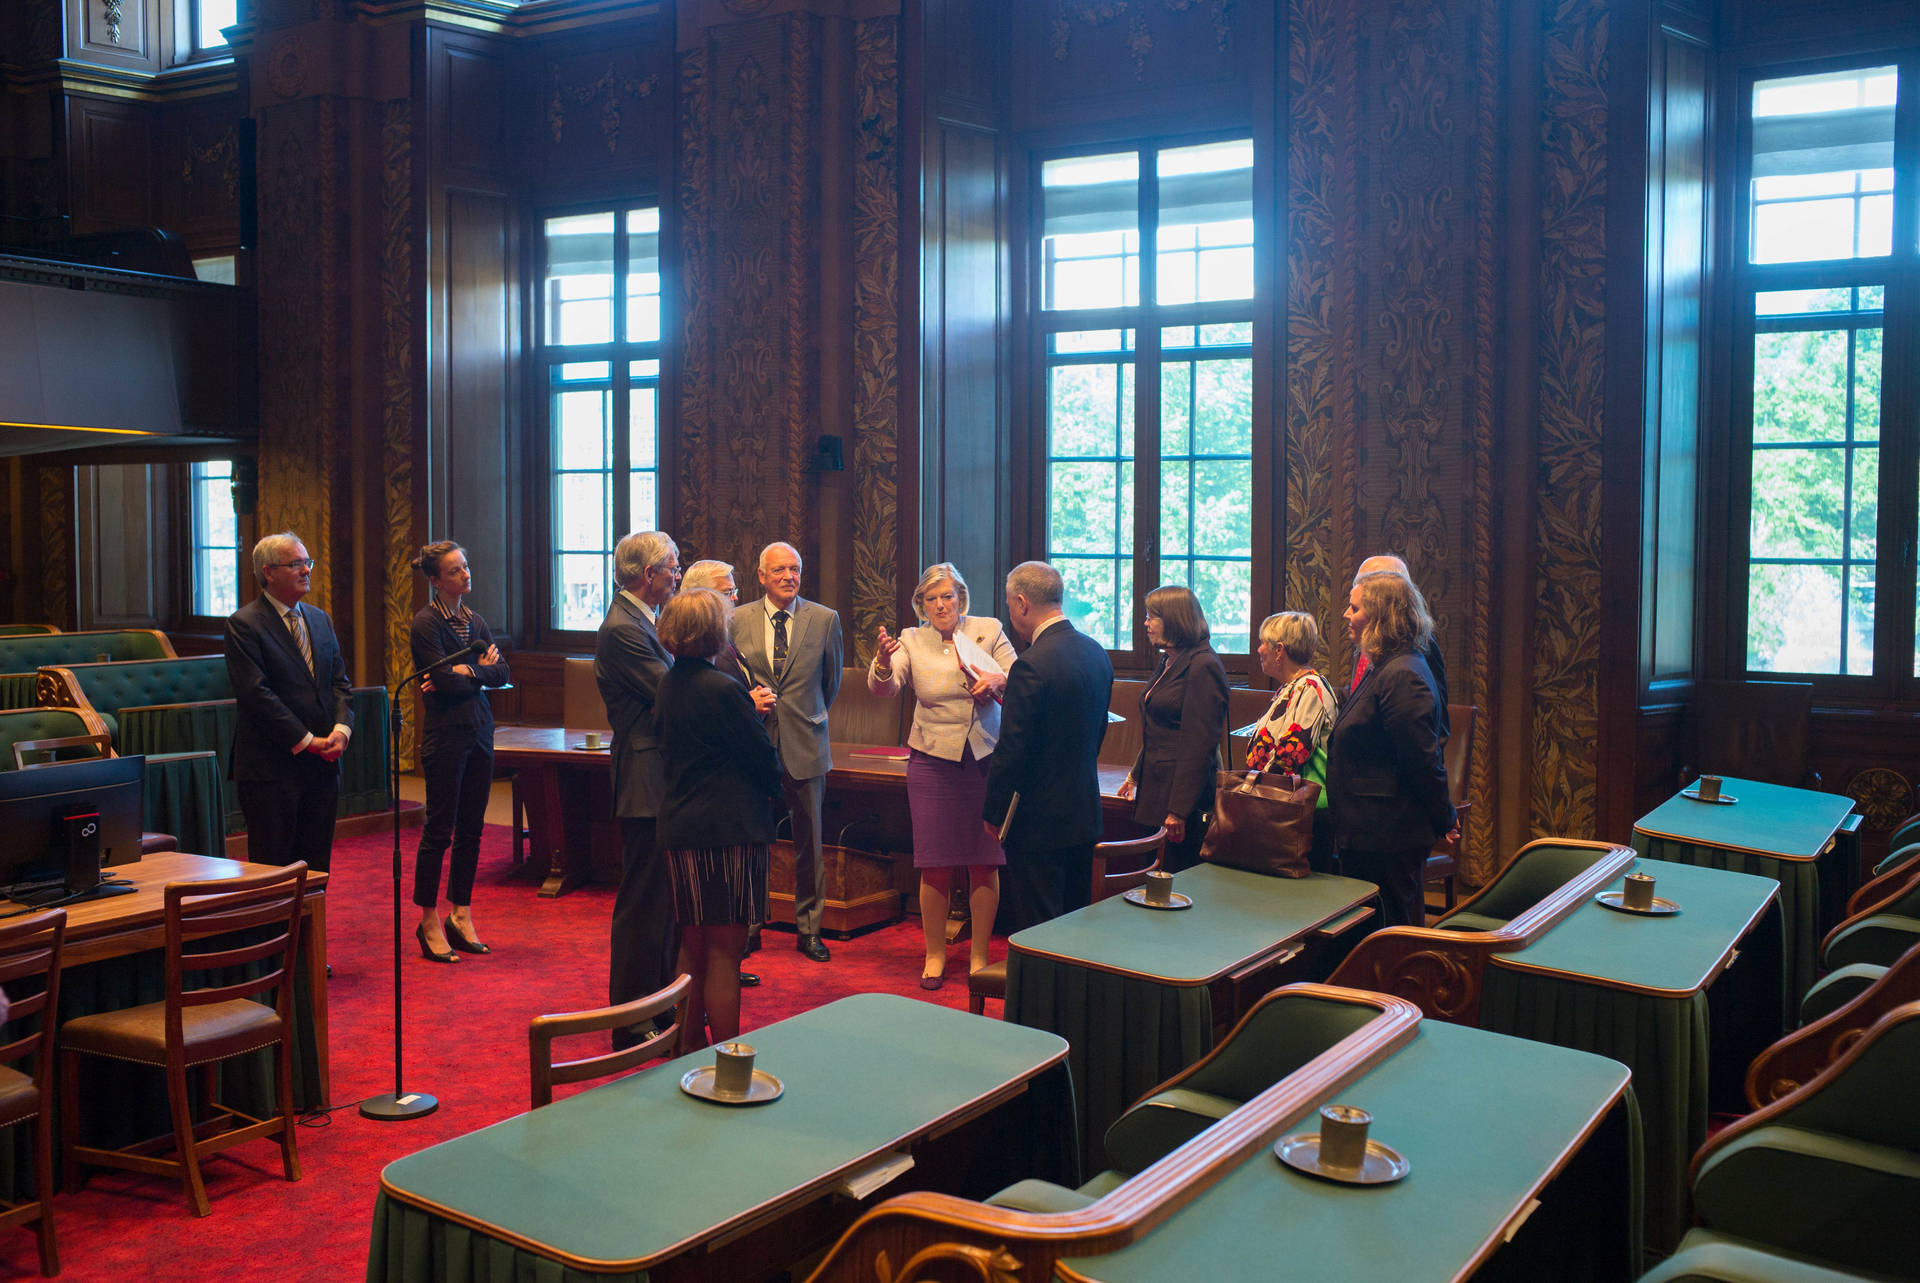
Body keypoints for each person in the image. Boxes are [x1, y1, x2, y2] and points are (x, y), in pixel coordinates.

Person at [869, 563, 1016, 987]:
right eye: (931, 599)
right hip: (932, 762)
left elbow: (1018, 676)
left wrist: (994, 681)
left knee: (983, 862)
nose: (940, 605)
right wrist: (880, 664)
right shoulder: (911, 640)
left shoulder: (988, 629)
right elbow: (887, 687)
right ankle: (934, 955)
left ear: (961, 598)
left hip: (986, 759)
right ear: (921, 604)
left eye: (947, 596)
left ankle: (979, 956)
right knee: (934, 864)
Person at [654, 588, 782, 1048]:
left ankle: (684, 1049)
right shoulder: (725, 690)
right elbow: (764, 761)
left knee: (692, 946)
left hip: (681, 827)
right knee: (726, 953)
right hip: (729, 831)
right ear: (714, 632)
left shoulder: (668, 683)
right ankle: (728, 1059)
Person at [983, 561, 1114, 932]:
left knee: (1039, 931)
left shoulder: (1031, 665)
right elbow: (1099, 731)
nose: (1011, 615)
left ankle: (1043, 993)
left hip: (1037, 823)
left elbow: (1013, 750)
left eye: (1010, 606)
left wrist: (994, 812)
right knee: (1075, 924)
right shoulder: (1095, 653)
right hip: (1083, 812)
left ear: (1022, 603)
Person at [731, 542, 843, 963]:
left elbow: (830, 684)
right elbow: (730, 678)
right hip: (754, 744)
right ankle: (751, 925)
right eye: (778, 570)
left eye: (794, 569)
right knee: (752, 838)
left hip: (806, 742)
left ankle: (809, 929)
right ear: (761, 575)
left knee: (809, 842)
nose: (788, 577)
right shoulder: (737, 619)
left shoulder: (825, 620)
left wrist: (807, 717)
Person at [1326, 571, 1457, 929]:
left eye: (1354, 608)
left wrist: (1445, 815)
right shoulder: (1386, 665)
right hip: (1369, 831)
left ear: (1380, 616)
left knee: (1390, 932)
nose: (1346, 615)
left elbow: (1422, 760)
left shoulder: (1403, 674)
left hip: (1387, 834)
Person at [595, 531, 681, 1048]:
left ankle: (659, 1002)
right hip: (645, 779)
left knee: (663, 901)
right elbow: (669, 691)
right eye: (671, 567)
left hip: (663, 778)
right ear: (647, 576)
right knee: (642, 903)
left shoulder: (645, 620)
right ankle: (628, 1020)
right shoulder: (622, 629)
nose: (676, 574)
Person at [226, 532, 353, 873]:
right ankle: (275, 930)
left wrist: (341, 729)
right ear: (268, 572)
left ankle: (310, 930)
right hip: (272, 768)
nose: (306, 571)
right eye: (296, 564)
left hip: (323, 766)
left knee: (316, 866)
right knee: (274, 870)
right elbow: (256, 694)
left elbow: (339, 683)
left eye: (307, 563)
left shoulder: (320, 620)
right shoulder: (244, 624)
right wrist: (308, 741)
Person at [407, 540, 508, 963]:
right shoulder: (426, 624)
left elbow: (501, 672)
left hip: (480, 731)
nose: (465, 574)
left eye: (465, 567)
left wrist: (467, 671)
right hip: (445, 736)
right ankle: (429, 918)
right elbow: (440, 683)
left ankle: (461, 914)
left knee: (472, 828)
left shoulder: (475, 619)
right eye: (455, 571)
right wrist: (473, 673)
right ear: (435, 580)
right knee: (439, 829)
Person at [680, 557, 775, 985]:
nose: (736, 599)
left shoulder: (716, 655)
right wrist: (747, 706)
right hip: (723, 810)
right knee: (714, 938)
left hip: (698, 810)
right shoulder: (708, 672)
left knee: (704, 938)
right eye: (728, 591)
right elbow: (749, 748)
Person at [1117, 585, 1228, 873]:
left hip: (1181, 802)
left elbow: (1199, 745)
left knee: (1173, 882)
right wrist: (1135, 775)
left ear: (1175, 619)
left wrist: (1179, 809)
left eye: (1151, 617)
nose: (1145, 623)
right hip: (1155, 789)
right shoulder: (1169, 659)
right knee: (1151, 882)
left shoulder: (1203, 665)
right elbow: (1158, 729)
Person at [1247, 610, 1340, 872]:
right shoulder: (1292, 687)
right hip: (1288, 808)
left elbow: (1292, 753)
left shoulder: (1309, 688)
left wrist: (1255, 795)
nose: (1258, 649)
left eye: (1263, 642)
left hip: (1303, 813)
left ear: (1279, 650)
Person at [1348, 554, 1449, 741]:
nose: (1359, 590)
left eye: (1368, 584)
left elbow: (1436, 723)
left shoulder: (1419, 647)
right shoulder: (1370, 639)